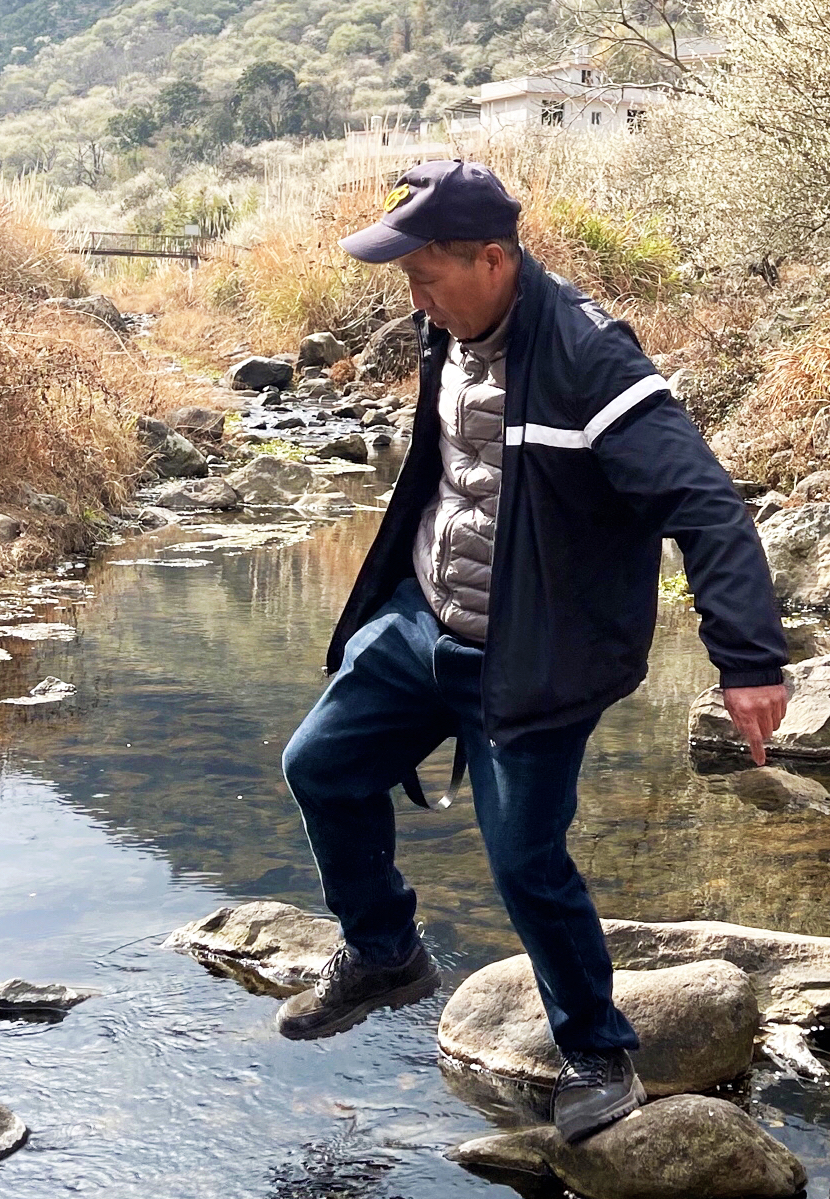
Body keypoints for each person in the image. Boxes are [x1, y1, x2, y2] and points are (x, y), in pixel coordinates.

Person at [277, 158, 789, 1144]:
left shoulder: (589, 360)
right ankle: (384, 951)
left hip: (533, 653)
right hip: (427, 617)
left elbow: (704, 502)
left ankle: (599, 1051)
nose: (411, 296)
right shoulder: (450, 325)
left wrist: (749, 657)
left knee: (524, 861)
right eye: (409, 277)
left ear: (495, 260)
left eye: (426, 273)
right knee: (320, 766)